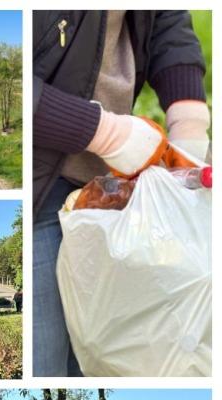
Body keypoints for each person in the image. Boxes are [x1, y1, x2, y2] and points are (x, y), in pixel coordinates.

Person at [33, 11, 210, 376]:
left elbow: (167, 20)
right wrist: (106, 133)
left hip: (106, 188)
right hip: (36, 186)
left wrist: (189, 124)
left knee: (98, 351)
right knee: (43, 362)